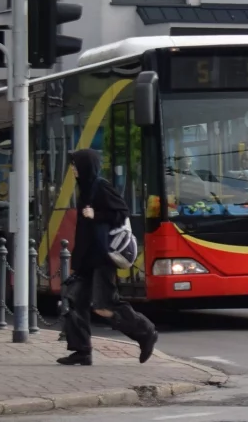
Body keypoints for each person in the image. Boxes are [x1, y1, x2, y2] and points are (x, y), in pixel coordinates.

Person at [58, 149, 158, 366]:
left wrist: (96, 215)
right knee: (75, 301)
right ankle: (82, 351)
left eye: (75, 164)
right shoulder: (83, 187)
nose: (73, 169)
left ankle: (146, 332)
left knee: (105, 305)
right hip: (86, 258)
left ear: (86, 166)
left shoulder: (100, 186)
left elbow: (121, 211)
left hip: (102, 259)